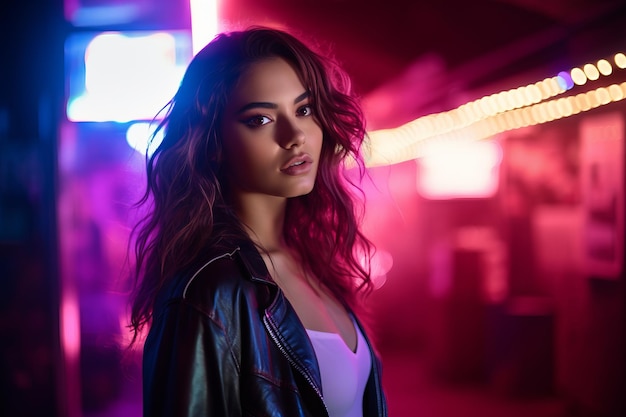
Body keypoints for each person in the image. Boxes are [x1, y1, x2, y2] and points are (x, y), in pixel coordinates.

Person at [129, 26, 388, 417]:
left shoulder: (311, 258)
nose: (295, 135)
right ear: (212, 144)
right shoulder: (209, 292)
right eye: (260, 120)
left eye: (303, 109)